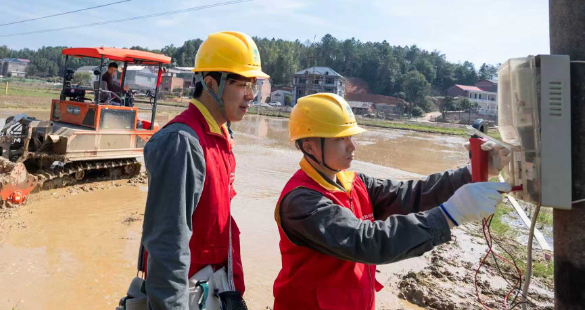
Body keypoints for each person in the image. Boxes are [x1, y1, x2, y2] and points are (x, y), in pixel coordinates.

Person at [273, 93, 511, 310]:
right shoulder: (302, 202)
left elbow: (411, 194)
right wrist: (449, 215)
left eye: (351, 137)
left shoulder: (355, 183)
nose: (352, 146)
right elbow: (368, 241)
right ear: (309, 146)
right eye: (339, 139)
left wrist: (472, 172)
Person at [140, 31, 268, 309]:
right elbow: (167, 246)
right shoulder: (182, 142)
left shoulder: (219, 135)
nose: (250, 95)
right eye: (242, 84)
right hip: (189, 295)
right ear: (210, 83)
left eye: (253, 85)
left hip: (213, 289)